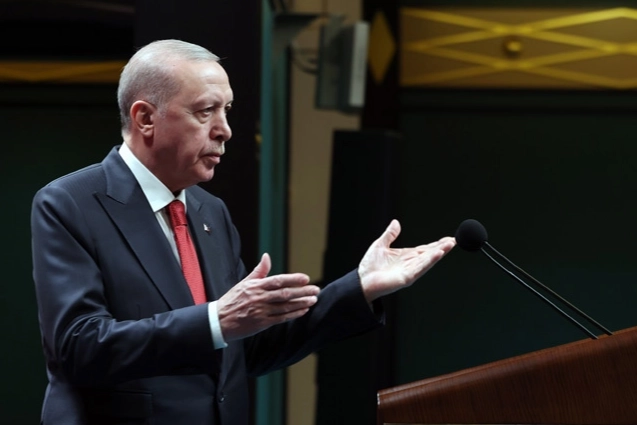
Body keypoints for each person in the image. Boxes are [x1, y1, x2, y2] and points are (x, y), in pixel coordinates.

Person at [31, 39, 455, 425]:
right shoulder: (69, 203)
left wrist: (359, 288)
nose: (225, 130)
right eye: (205, 111)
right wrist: (216, 319)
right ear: (145, 118)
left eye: (227, 110)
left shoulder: (209, 210)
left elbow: (247, 348)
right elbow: (78, 347)